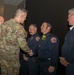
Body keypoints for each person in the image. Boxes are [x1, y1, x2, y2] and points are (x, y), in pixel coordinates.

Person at [0, 9, 33, 75]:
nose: (25, 19)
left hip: (2, 58)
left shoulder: (3, 25)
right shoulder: (19, 28)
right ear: (22, 16)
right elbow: (22, 45)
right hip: (12, 60)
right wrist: (29, 51)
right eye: (25, 17)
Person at [60, 8, 74, 75]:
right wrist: (63, 57)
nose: (67, 19)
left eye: (68, 17)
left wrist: (67, 60)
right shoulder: (70, 31)